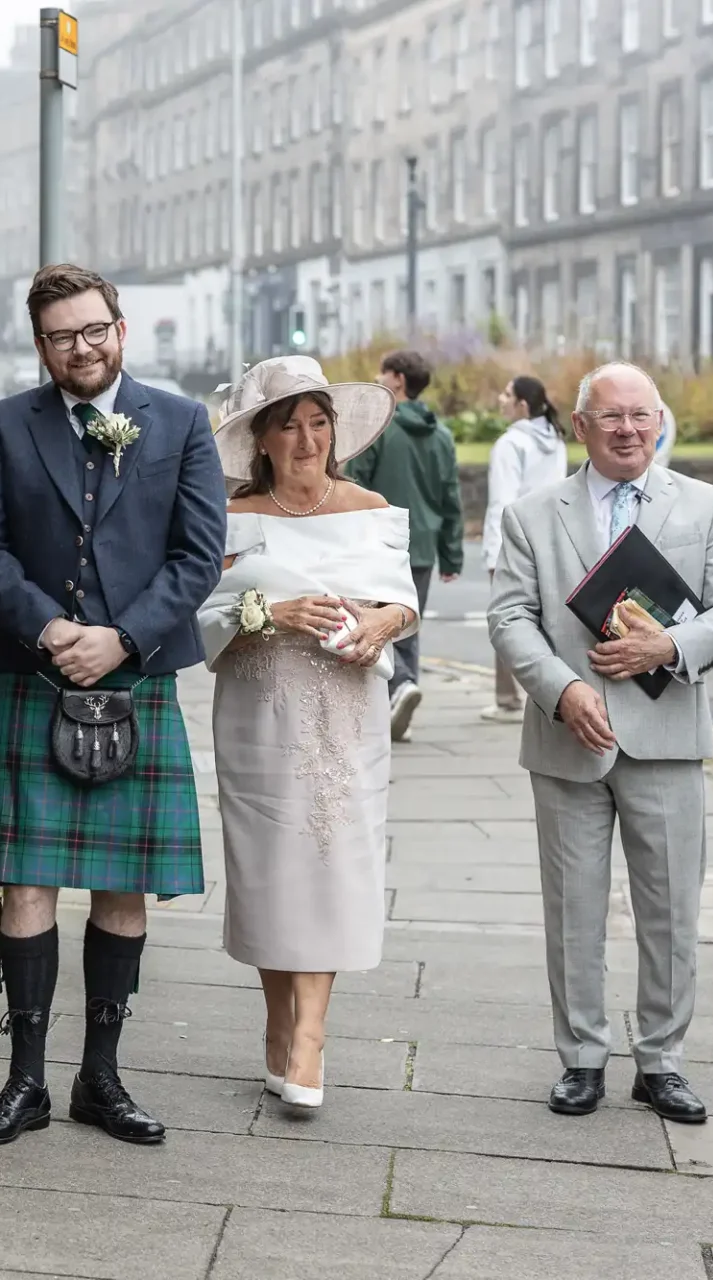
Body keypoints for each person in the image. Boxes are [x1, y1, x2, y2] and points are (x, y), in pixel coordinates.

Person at [0, 264, 227, 1147]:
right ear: (41, 345)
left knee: (124, 884)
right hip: (35, 676)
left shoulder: (182, 422)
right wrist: (50, 629)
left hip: (136, 675)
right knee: (24, 882)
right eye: (63, 336)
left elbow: (197, 554)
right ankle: (25, 1082)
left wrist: (122, 638)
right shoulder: (5, 425)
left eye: (95, 329)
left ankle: (101, 1080)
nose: (83, 347)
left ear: (122, 325)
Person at [488, 362, 713, 1123]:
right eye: (611, 417)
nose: (628, 430)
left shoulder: (704, 505)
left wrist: (667, 649)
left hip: (668, 738)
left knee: (671, 912)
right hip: (566, 740)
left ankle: (662, 1063)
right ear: (581, 426)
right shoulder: (533, 515)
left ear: (661, 420)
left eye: (641, 416)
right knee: (572, 911)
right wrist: (563, 690)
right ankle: (580, 1059)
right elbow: (509, 617)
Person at [200, 358, 417, 1110]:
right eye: (288, 424)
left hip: (347, 711)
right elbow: (204, 617)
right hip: (259, 710)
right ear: (261, 438)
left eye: (318, 421)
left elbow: (404, 602)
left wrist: (390, 619)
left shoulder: (372, 507)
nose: (306, 438)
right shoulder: (232, 518)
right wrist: (271, 611)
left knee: (333, 863)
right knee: (270, 873)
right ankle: (277, 1021)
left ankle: (312, 1036)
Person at [347, 349, 463, 742]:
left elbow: (356, 483)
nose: (378, 377)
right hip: (425, 546)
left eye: (383, 372)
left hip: (380, 542)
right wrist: (452, 554)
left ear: (397, 379)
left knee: (375, 624)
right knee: (407, 621)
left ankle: (399, 688)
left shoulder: (380, 428)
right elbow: (450, 496)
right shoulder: (442, 435)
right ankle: (402, 693)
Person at [481, 376, 569, 723]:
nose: (500, 400)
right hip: (552, 540)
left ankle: (507, 700)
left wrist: (493, 551)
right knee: (547, 623)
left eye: (506, 394)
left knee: (508, 622)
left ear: (522, 406)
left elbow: (501, 503)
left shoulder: (510, 443)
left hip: (514, 544)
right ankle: (548, 696)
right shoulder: (557, 440)